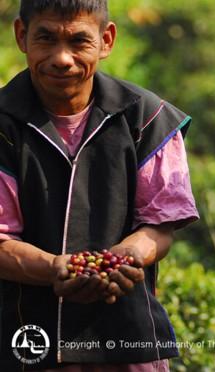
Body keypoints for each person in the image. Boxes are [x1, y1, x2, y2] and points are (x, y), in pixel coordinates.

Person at [0, 1, 199, 371]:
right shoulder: (3, 125)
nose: (62, 58)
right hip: (25, 341)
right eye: (45, 38)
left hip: (126, 343)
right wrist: (55, 268)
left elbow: (160, 224)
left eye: (79, 41)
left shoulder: (148, 117)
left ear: (106, 40)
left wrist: (126, 256)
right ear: (21, 36)